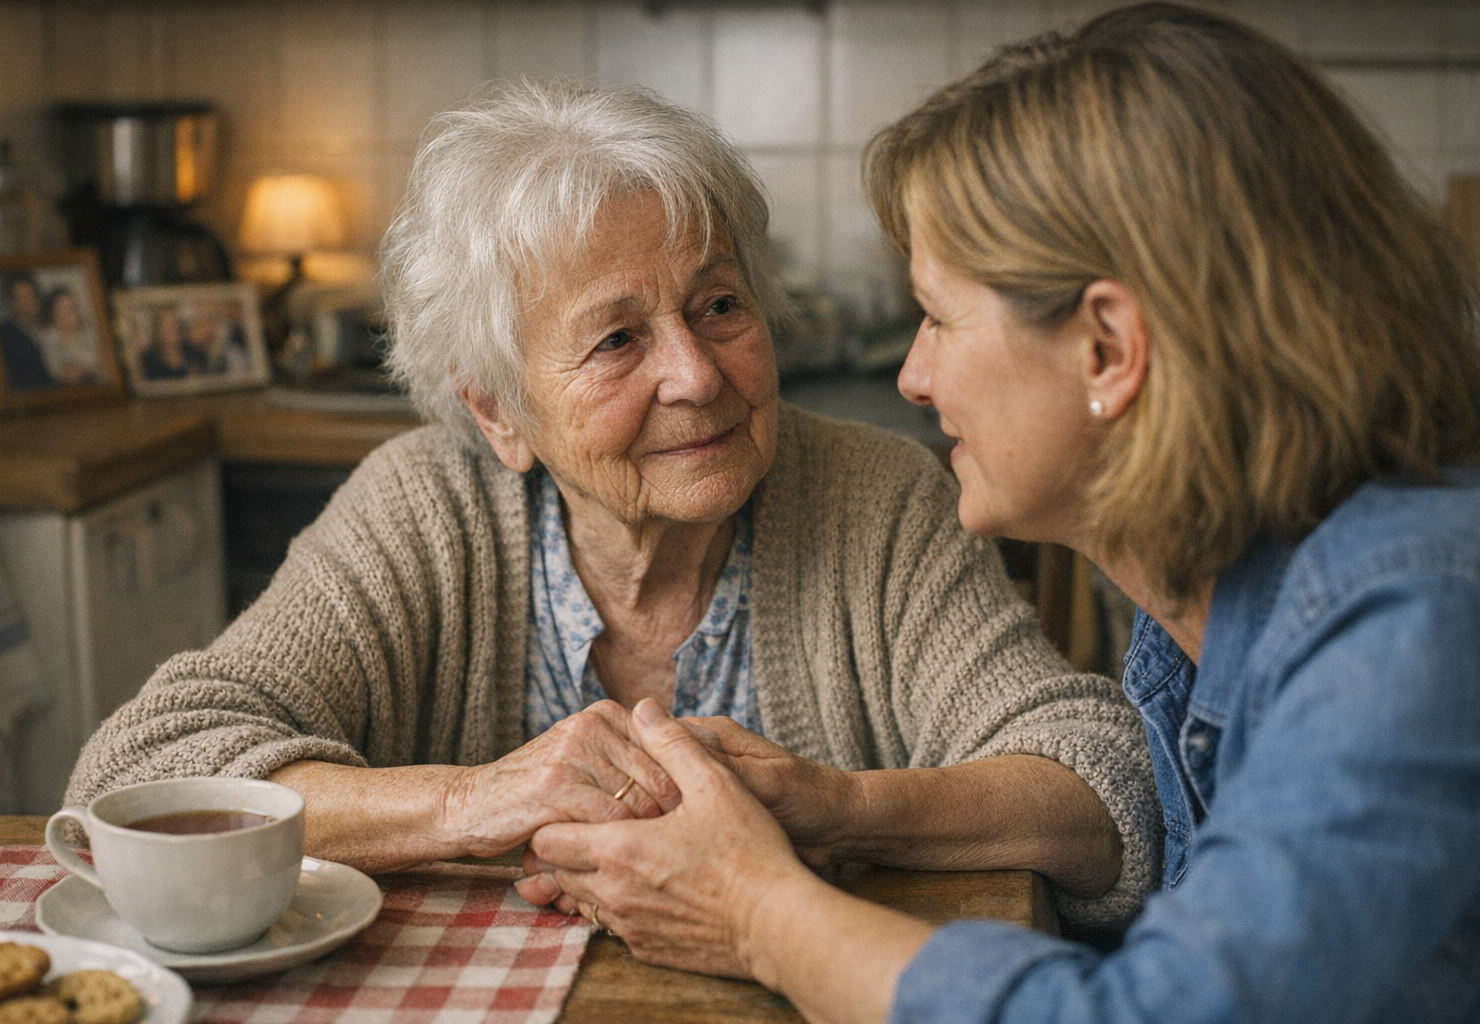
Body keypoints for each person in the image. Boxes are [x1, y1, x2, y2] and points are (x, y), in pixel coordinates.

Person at [521, 7, 1480, 1023]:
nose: (913, 376)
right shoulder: (1215, 595)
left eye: (937, 314)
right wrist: (840, 808)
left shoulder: (1409, 620)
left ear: (1108, 349)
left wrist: (756, 910)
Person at [65, 82, 1160, 931]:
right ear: (498, 411)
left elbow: (1104, 787)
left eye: (719, 304)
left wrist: (844, 803)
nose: (696, 372)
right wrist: (472, 801)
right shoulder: (425, 508)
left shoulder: (875, 498)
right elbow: (143, 773)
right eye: (617, 339)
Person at [0, 273, 55, 391]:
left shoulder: (48, 325)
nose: (27, 302)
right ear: (12, 303)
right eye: (20, 297)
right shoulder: (5, 334)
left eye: (29, 295)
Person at [37, 287, 106, 385]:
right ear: (54, 314)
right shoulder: (48, 339)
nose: (72, 313)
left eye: (74, 308)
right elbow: (57, 371)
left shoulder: (91, 334)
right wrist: (86, 369)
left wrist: (83, 369)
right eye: (65, 309)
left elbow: (103, 367)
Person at [139, 305, 206, 381]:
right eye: (166, 324)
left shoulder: (196, 354)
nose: (173, 328)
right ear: (157, 331)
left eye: (175, 323)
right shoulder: (148, 361)